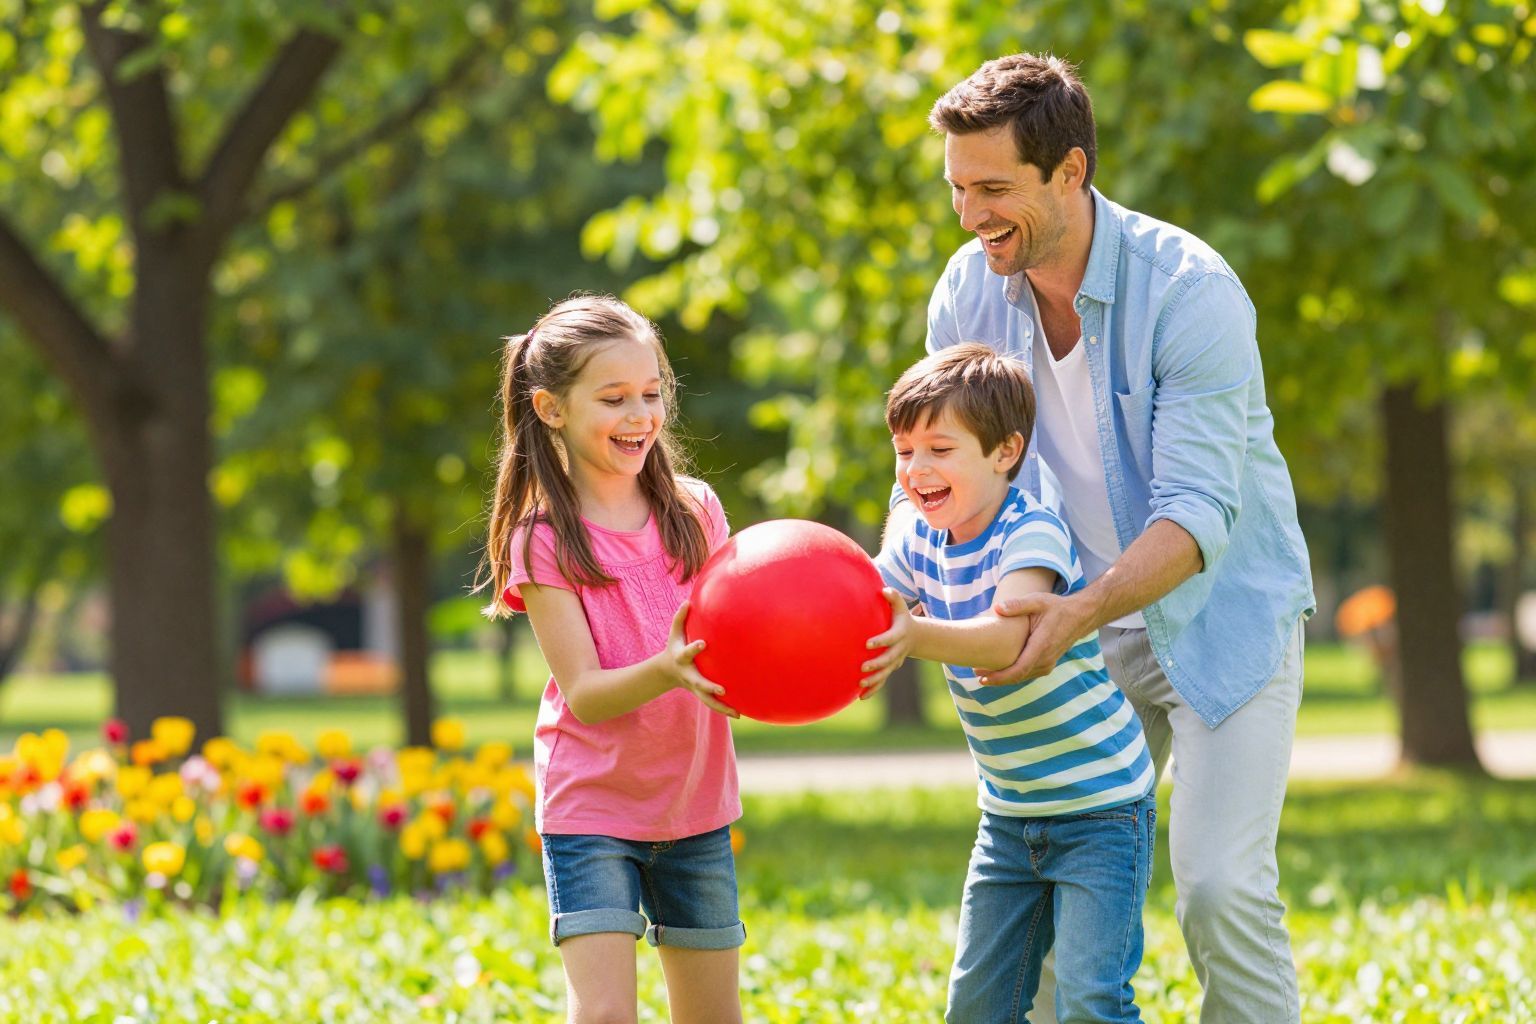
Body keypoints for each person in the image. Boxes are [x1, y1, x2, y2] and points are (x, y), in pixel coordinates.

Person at [886, 54, 1316, 1023]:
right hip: (1078, 625)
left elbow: (1198, 516)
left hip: (1219, 616)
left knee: (1218, 886)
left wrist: (1077, 611)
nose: (970, 216)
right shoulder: (967, 294)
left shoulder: (1190, 292)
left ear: (1070, 173)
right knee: (1037, 902)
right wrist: (891, 584)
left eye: (994, 189)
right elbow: (929, 467)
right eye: (958, 189)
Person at [865, 344, 1157, 1023]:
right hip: (1008, 819)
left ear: (1004, 453)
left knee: (1091, 1000)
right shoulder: (917, 541)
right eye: (905, 451)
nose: (917, 470)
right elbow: (861, 597)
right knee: (977, 1006)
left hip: (1102, 810)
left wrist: (912, 636)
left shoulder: (1030, 532)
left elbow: (1009, 638)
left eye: (940, 449)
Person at [480, 294, 744, 1024]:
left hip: (694, 801)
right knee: (603, 1017)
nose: (641, 415)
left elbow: (738, 637)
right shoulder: (544, 539)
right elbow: (587, 693)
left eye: (653, 393)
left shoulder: (696, 511)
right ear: (552, 408)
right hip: (590, 805)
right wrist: (672, 667)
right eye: (615, 397)